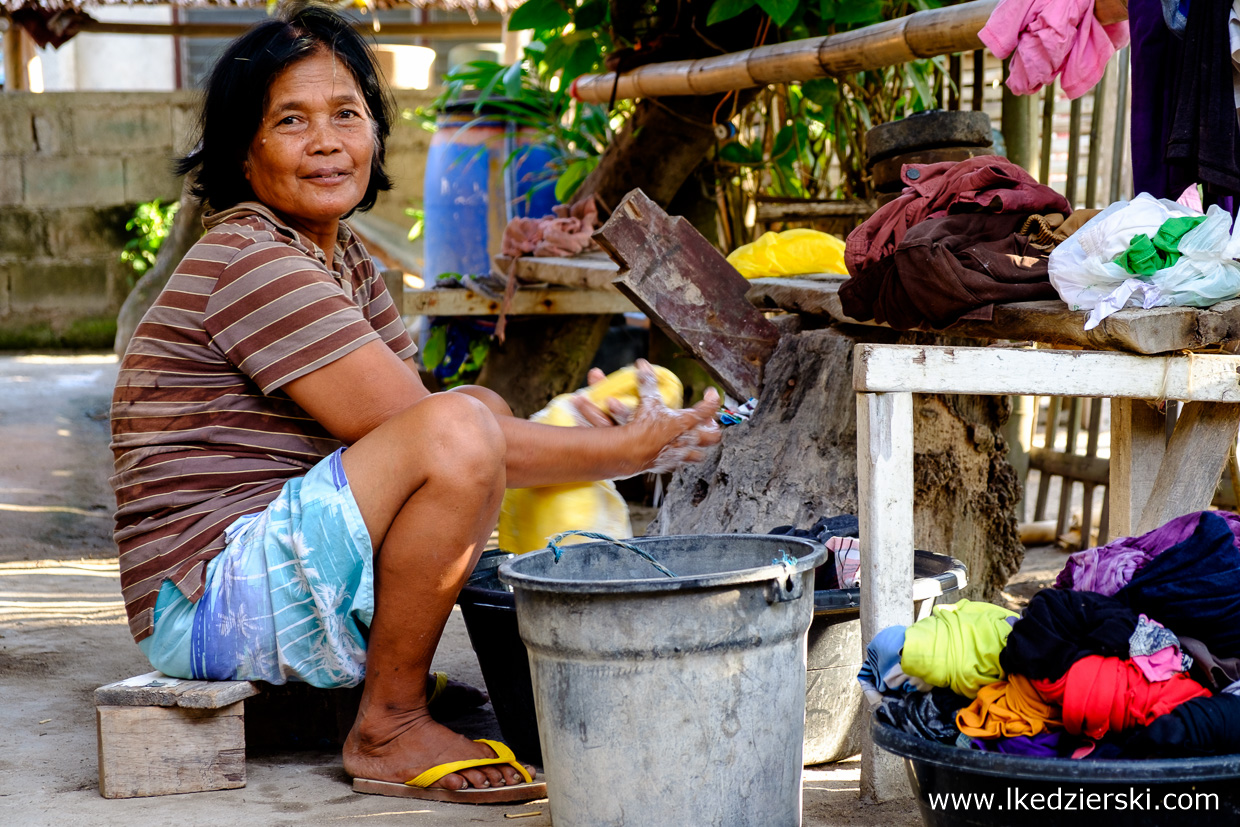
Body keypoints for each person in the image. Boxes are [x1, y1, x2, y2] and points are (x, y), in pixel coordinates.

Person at [108, 3, 720, 805]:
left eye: (347, 114)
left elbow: (436, 420)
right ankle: (388, 722)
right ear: (240, 150)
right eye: (291, 120)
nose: (327, 141)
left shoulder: (341, 256)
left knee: (472, 401)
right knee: (460, 428)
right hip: (203, 600)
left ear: (374, 134)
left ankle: (385, 683)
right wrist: (630, 450)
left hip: (254, 566)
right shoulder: (249, 258)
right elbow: (435, 440)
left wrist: (571, 421)